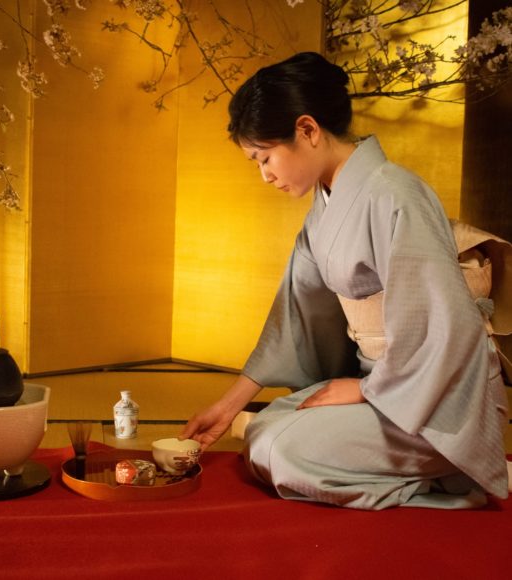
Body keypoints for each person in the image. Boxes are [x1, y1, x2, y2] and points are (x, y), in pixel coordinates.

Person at [180, 52, 509, 510]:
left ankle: (451, 470)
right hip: (384, 386)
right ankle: (418, 469)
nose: (265, 175)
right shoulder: (324, 208)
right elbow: (296, 314)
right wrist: (229, 403)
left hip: (436, 398)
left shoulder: (395, 195)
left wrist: (363, 390)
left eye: (266, 157)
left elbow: (443, 325)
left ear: (308, 130)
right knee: (266, 427)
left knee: (280, 449)